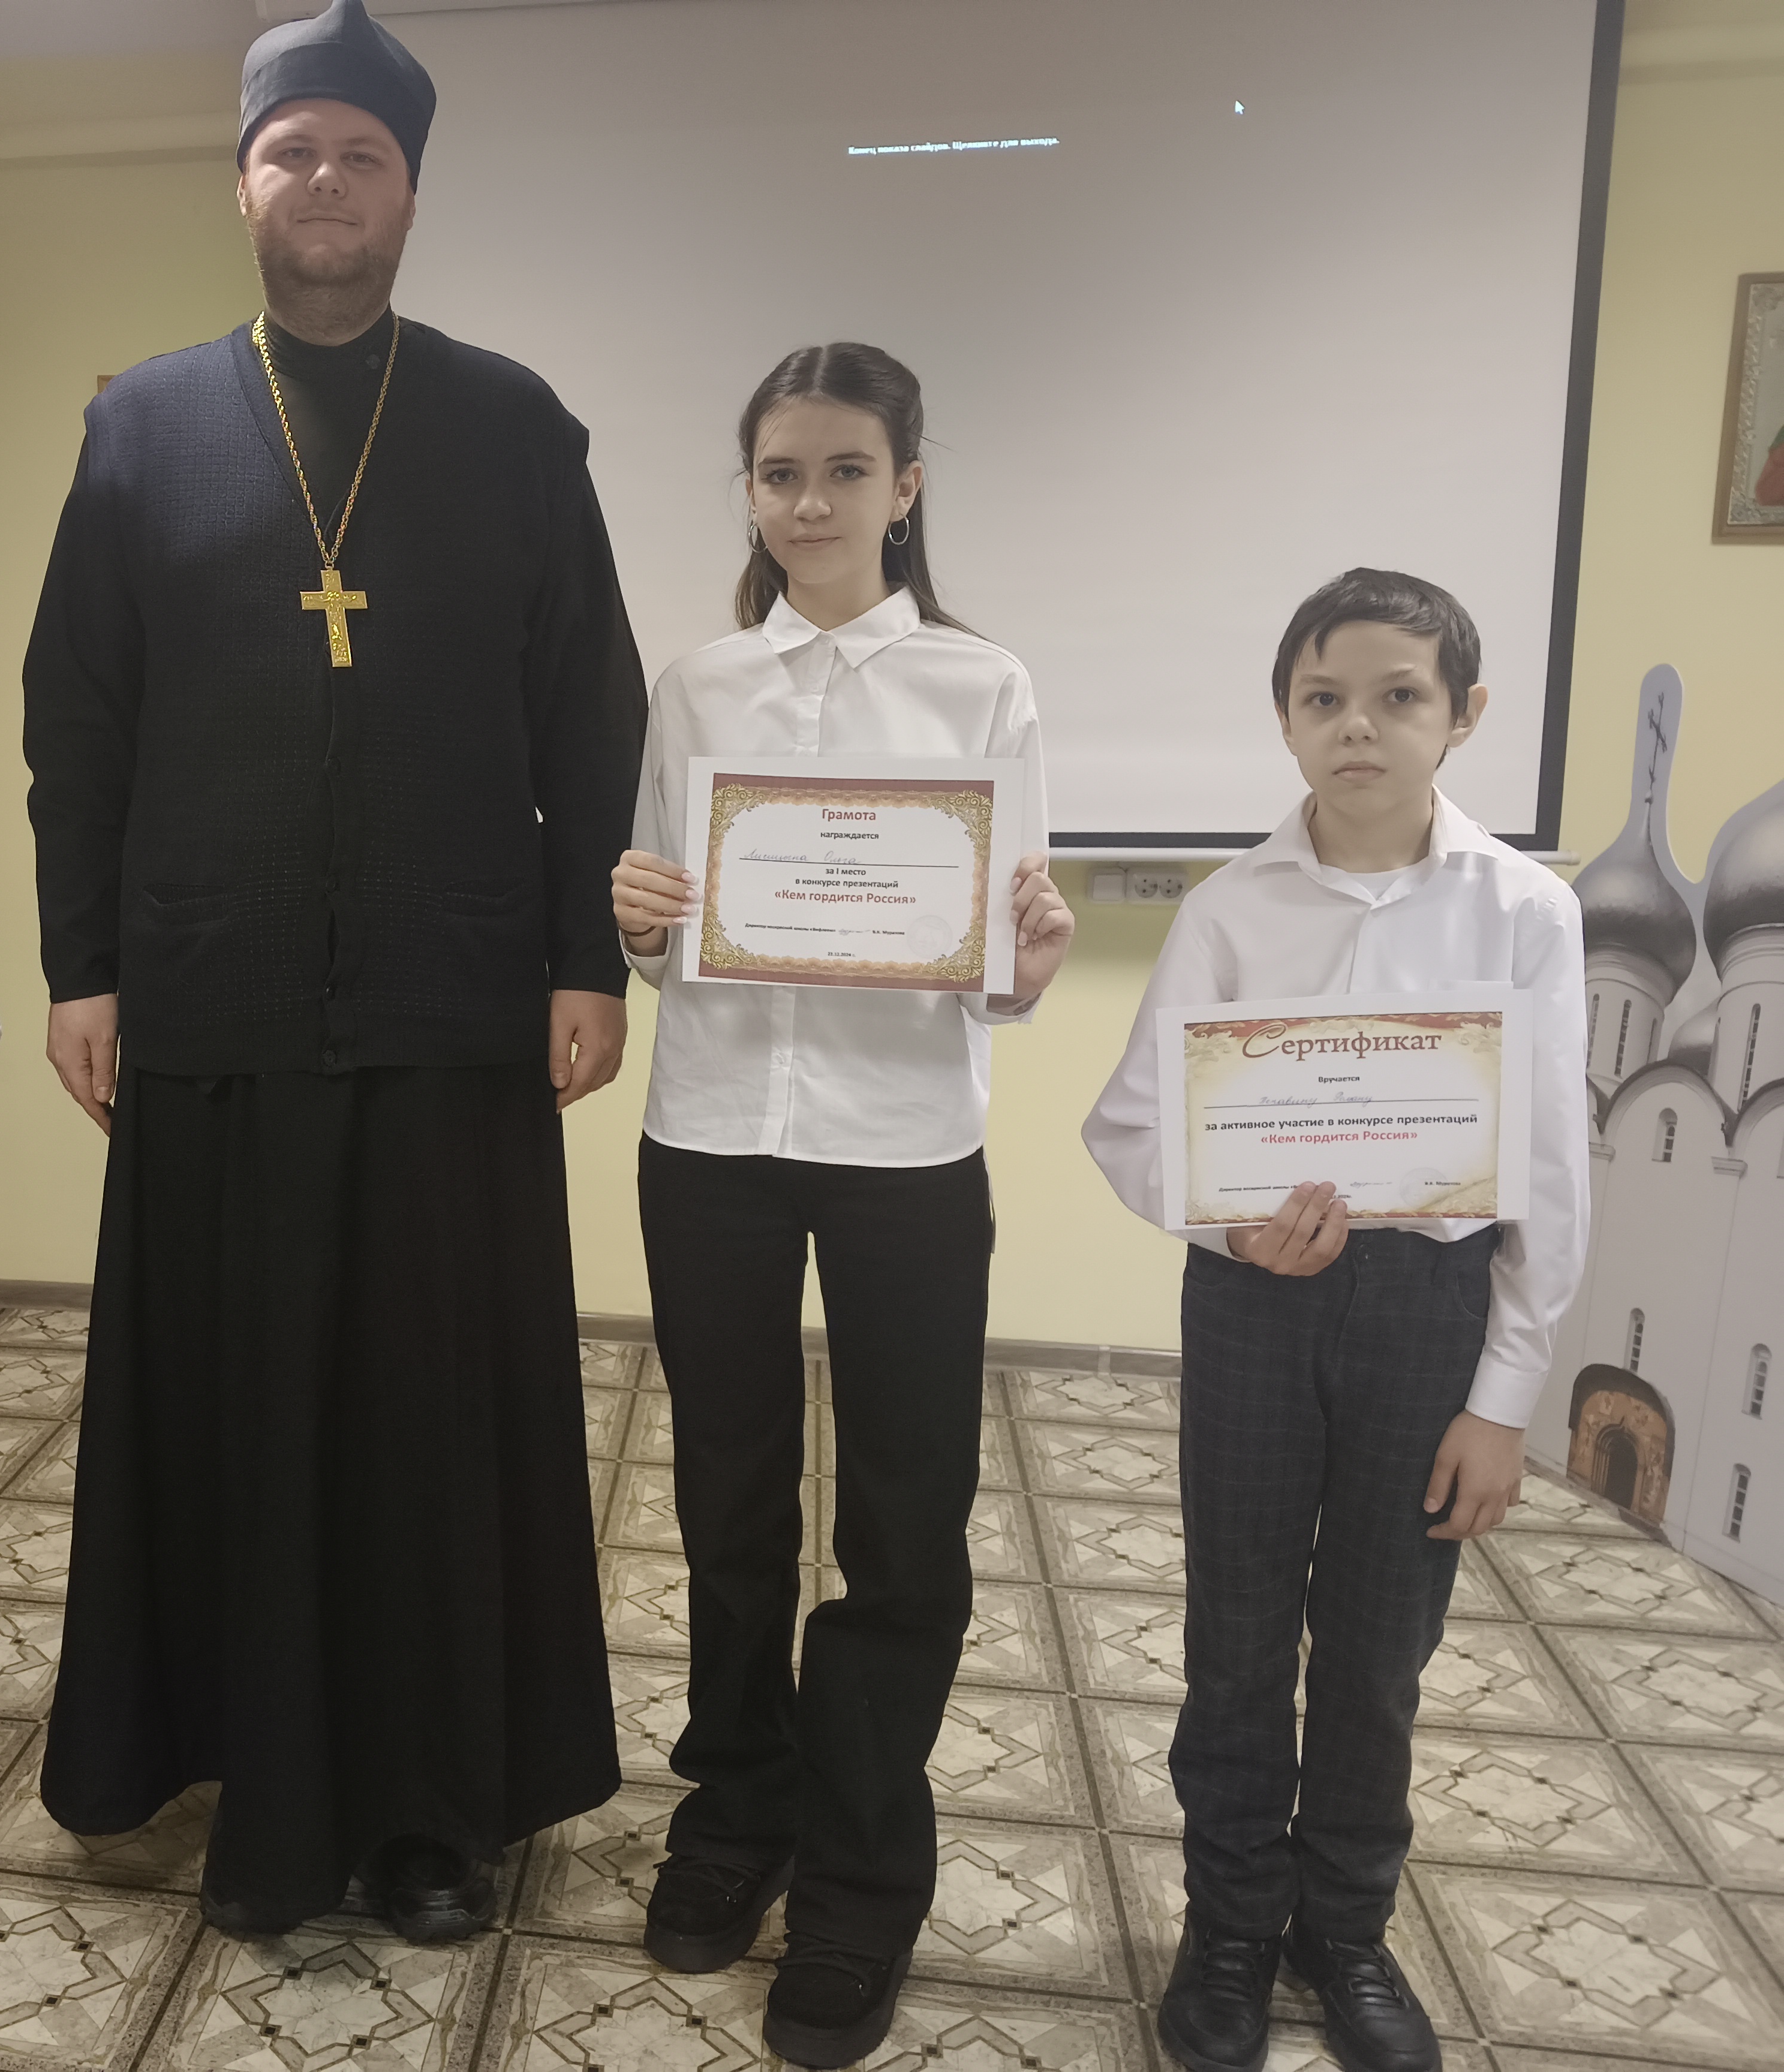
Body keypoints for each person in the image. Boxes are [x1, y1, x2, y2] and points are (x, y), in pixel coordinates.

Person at [22, 0, 646, 1940]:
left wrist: (586, 959)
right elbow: (76, 714)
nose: (324, 181)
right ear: (241, 184)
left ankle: (428, 1810)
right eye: (291, 148)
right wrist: (80, 966)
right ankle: (254, 1784)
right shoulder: (141, 425)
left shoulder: (512, 423)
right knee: (243, 1413)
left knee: (423, 1422)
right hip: (211, 1010)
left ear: (408, 194)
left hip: (453, 1013)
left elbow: (589, 704)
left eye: (360, 154)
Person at [608, 344, 1073, 2067]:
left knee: (903, 1518)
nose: (810, 502)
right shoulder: (697, 685)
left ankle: (867, 1867)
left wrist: (1026, 963)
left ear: (906, 486)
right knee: (727, 1497)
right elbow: (664, 939)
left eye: (845, 470)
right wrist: (637, 916)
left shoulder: (983, 686)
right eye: (780, 473)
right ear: (752, 492)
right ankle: (738, 1803)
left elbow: (999, 970)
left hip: (906, 1152)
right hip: (713, 1132)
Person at [1082, 570, 1589, 2072]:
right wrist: (1226, 1224)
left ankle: (1348, 1930)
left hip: (1431, 1308)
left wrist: (1505, 1397)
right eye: (1325, 699)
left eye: (1398, 697)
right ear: (1286, 718)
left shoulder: (1526, 911)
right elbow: (1130, 1129)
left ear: (1463, 716)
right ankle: (1233, 1925)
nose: (1358, 726)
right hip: (1257, 1301)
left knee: (1379, 1646)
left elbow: (1551, 1167)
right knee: (1238, 1633)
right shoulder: (1230, 909)